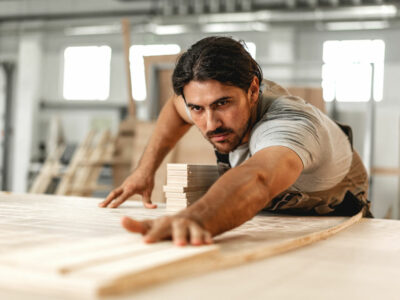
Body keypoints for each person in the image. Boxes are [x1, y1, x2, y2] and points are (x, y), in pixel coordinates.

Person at [99, 36, 372, 246]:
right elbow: (174, 108)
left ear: (253, 90)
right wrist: (145, 170)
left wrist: (198, 216)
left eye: (223, 103)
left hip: (333, 219)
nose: (210, 123)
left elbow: (259, 178)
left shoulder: (289, 125)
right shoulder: (202, 104)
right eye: (197, 108)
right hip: (273, 219)